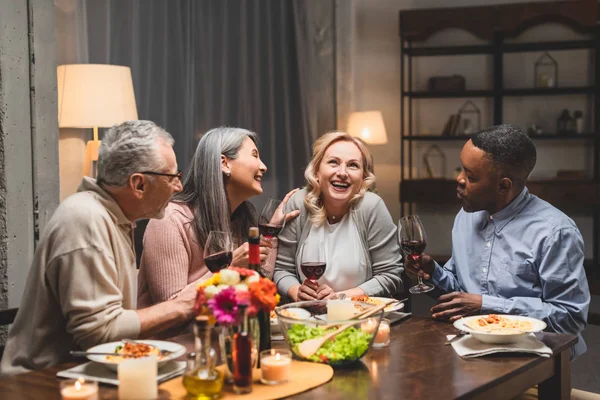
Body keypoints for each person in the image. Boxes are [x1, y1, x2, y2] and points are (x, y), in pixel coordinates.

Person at [0, 121, 201, 375]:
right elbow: (99, 334)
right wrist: (182, 305)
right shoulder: (86, 220)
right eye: (173, 177)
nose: (179, 187)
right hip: (40, 382)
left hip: (89, 374)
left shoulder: (115, 218)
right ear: (138, 184)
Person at [404, 124, 590, 358]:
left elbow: (570, 319)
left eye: (470, 176)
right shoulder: (465, 217)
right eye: (461, 169)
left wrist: (487, 305)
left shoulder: (555, 232)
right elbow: (463, 296)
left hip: (534, 357)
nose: (459, 180)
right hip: (473, 347)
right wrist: (434, 273)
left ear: (503, 185)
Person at [137, 127, 299, 308]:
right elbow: (170, 307)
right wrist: (229, 270)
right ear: (224, 163)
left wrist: (269, 235)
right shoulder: (171, 220)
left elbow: (259, 283)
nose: (263, 166)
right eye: (254, 155)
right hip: (171, 337)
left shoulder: (240, 219)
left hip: (223, 333)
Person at [274, 131, 402, 301]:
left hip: (361, 316)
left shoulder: (372, 206)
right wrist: (296, 291)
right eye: (333, 162)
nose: (342, 172)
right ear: (317, 171)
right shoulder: (299, 203)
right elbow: (281, 270)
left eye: (353, 165)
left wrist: (340, 297)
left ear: (363, 177)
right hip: (307, 316)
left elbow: (390, 274)